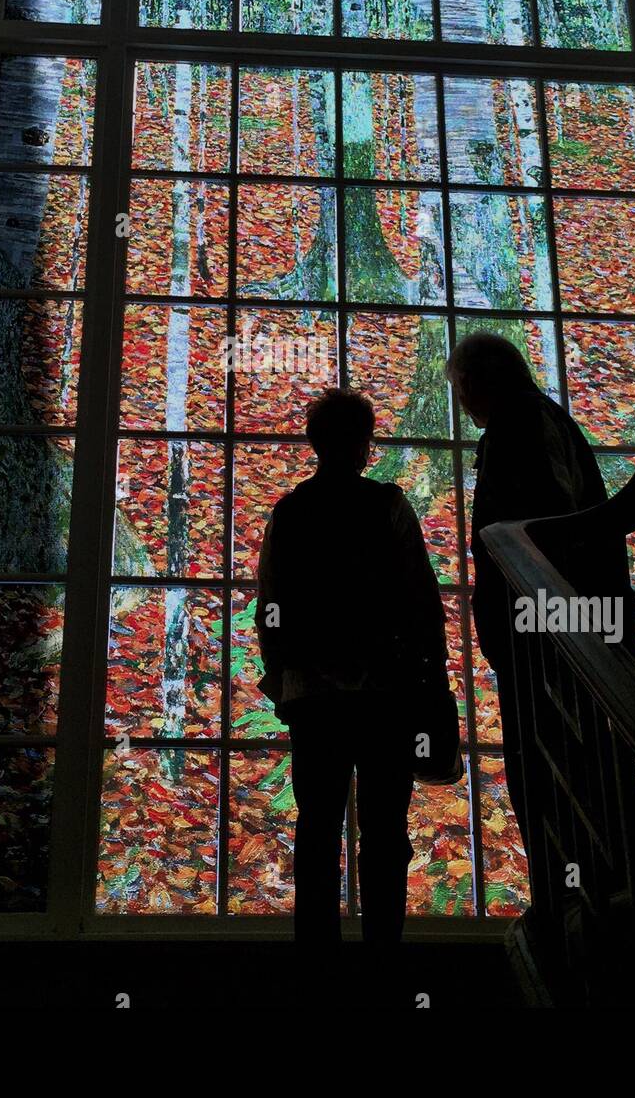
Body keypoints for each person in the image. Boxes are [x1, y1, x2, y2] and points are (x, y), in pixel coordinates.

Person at [256, 388, 448, 945]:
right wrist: (431, 676)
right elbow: (421, 600)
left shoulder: (291, 513)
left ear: (314, 443)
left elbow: (271, 604)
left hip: (315, 696)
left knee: (317, 829)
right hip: (386, 693)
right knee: (386, 832)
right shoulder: (388, 506)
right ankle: (383, 956)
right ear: (365, 445)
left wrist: (284, 677)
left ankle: (318, 963)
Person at [447, 331, 635, 873]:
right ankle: (593, 888)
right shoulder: (541, 420)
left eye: (462, 387)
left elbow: (544, 526)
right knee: (577, 761)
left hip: (549, 632)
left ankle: (577, 894)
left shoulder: (520, 426)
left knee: (550, 763)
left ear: (482, 381)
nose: (461, 401)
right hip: (565, 624)